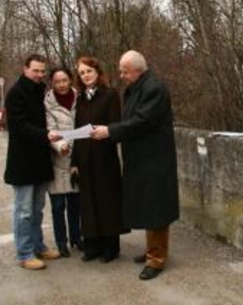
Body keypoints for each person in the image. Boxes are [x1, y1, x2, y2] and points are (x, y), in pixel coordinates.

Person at [91, 50, 179, 281]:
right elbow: (130, 119)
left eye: (125, 71)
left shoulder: (155, 88)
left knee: (157, 208)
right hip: (141, 158)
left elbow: (142, 121)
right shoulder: (135, 87)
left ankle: (157, 259)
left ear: (138, 70)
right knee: (147, 206)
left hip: (155, 159)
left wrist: (110, 131)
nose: (121, 75)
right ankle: (152, 250)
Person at [3, 54, 63, 270]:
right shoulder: (16, 94)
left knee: (37, 209)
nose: (39, 74)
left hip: (40, 160)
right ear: (25, 68)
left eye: (42, 71)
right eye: (35, 70)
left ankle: (38, 246)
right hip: (23, 162)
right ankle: (24, 253)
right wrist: (46, 135)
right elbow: (19, 127)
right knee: (24, 211)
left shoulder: (41, 92)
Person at [71, 56, 125, 263]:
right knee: (88, 202)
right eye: (82, 73)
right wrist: (75, 162)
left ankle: (111, 247)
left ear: (98, 73)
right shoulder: (81, 99)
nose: (85, 75)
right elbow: (77, 131)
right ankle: (92, 246)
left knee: (107, 200)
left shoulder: (110, 95)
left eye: (89, 71)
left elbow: (116, 125)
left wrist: (106, 132)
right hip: (84, 158)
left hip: (104, 157)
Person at [44, 67, 83, 257]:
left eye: (64, 80)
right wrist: (60, 146)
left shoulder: (80, 99)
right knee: (58, 206)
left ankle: (77, 237)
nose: (61, 85)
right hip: (57, 160)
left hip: (77, 160)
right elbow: (50, 130)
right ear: (52, 83)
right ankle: (61, 242)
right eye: (57, 81)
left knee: (75, 204)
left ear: (70, 80)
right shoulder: (47, 104)